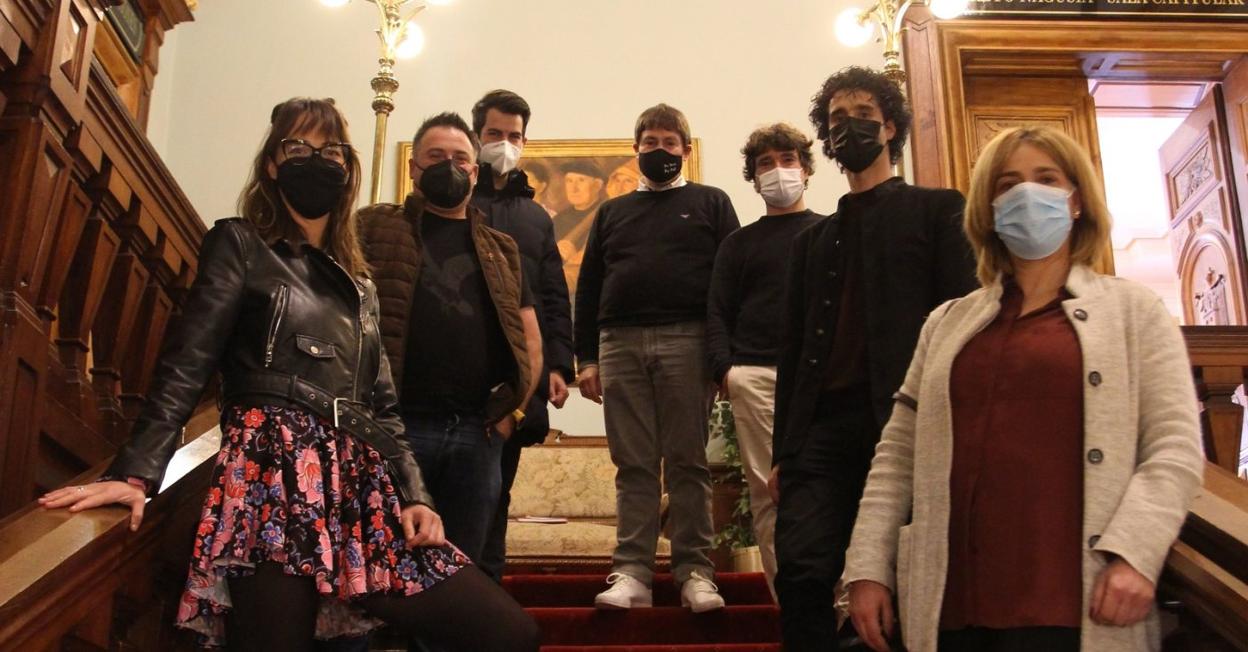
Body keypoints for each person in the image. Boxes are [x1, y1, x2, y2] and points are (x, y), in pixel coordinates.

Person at [37, 98, 539, 651]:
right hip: (271, 473)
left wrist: (415, 495)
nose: (316, 160)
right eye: (299, 147)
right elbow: (186, 365)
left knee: (506, 631)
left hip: (358, 481)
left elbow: (384, 409)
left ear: (348, 168)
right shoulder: (239, 244)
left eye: (331, 151)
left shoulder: (361, 284)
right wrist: (136, 473)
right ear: (273, 164)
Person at [844, 125, 1205, 652]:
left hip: (1075, 600)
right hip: (954, 605)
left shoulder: (1133, 312)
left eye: (1047, 179)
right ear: (989, 210)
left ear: (1076, 200)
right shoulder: (946, 322)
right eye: (1008, 184)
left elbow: (1173, 447)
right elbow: (897, 455)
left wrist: (1136, 553)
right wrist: (868, 566)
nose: (1028, 194)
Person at [770, 66, 978, 649]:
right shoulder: (810, 241)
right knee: (802, 569)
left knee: (903, 572)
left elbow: (963, 322)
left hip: (905, 422)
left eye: (863, 115)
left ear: (889, 127)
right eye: (837, 118)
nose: (849, 126)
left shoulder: (939, 211)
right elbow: (793, 351)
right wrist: (786, 450)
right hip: (820, 431)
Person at [355, 111, 543, 570]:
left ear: (475, 172)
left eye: (460, 158)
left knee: (460, 573)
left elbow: (530, 339)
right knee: (382, 566)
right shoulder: (372, 227)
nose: (449, 166)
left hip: (476, 434)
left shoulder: (501, 248)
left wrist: (513, 413)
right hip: (396, 429)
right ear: (414, 167)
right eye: (435, 156)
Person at [576, 103, 740, 613]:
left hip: (688, 341)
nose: (660, 150)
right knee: (634, 465)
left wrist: (723, 358)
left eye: (670, 142)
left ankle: (695, 573)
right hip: (618, 343)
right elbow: (589, 286)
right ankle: (633, 574)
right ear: (636, 149)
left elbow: (730, 284)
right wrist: (586, 358)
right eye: (651, 142)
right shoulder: (611, 212)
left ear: (685, 150)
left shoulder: (712, 202)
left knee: (688, 462)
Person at [706, 123, 824, 599]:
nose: (778, 170)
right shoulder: (738, 244)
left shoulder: (829, 232)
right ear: (754, 178)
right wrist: (726, 371)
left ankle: (836, 608)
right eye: (766, 164)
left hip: (818, 380)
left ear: (806, 169)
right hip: (753, 376)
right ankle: (789, 606)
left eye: (787, 160)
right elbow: (717, 311)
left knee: (825, 488)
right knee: (767, 496)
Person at [469, 89, 574, 582]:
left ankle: (486, 592)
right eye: (495, 133)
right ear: (477, 137)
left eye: (514, 136)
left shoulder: (536, 218)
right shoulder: (458, 201)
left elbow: (553, 295)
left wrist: (558, 365)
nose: (504, 143)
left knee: (498, 491)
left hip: (517, 374)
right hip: (460, 369)